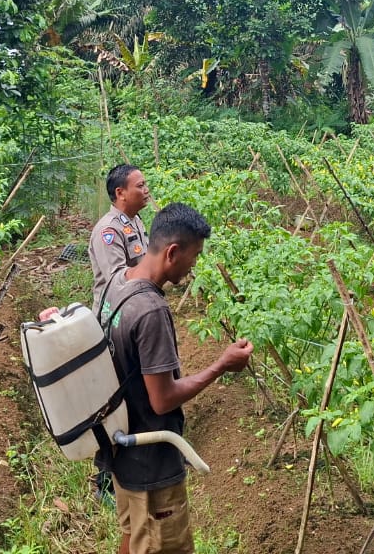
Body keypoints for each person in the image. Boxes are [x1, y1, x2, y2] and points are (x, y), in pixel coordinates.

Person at [95, 202, 253, 554]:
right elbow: (162, 399)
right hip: (149, 460)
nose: (194, 265)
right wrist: (221, 365)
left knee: (132, 535)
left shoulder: (117, 283)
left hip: (121, 449)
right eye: (194, 256)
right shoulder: (151, 311)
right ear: (172, 252)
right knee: (161, 544)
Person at [90, 164, 153, 310]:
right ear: (120, 193)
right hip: (115, 312)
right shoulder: (109, 230)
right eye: (140, 186)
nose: (146, 190)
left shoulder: (135, 220)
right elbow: (117, 281)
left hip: (136, 304)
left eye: (145, 184)